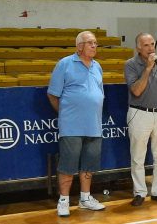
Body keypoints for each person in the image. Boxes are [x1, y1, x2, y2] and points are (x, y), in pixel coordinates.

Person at [47, 31, 105, 217]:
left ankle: (85, 198)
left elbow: (99, 93)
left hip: (94, 125)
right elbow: (52, 94)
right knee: (68, 164)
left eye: (96, 43)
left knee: (89, 163)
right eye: (90, 43)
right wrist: (67, 114)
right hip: (71, 126)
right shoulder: (65, 64)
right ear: (79, 46)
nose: (94, 46)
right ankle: (63, 200)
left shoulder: (98, 67)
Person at [124, 33, 157, 206]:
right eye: (146, 45)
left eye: (152, 44)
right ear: (138, 47)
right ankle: (139, 192)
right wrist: (148, 69)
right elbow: (136, 91)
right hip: (139, 114)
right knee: (138, 156)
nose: (151, 48)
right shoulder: (130, 65)